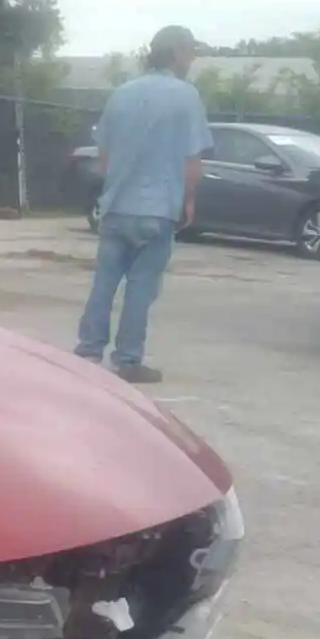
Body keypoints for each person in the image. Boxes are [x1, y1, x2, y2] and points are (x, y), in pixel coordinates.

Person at [75, 25, 213, 385]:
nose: (193, 59)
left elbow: (103, 154)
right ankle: (128, 360)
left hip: (117, 205)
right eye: (191, 51)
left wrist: (116, 186)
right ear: (178, 52)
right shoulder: (186, 97)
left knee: (104, 281)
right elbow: (192, 159)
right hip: (158, 209)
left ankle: (88, 351)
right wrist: (188, 200)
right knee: (141, 287)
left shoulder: (122, 93)